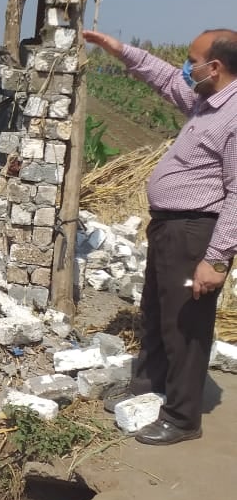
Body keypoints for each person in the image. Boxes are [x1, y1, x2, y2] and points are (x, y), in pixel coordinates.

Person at [84, 28, 237, 445]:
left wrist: (217, 258)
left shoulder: (233, 116)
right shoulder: (208, 102)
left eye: (193, 61)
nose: (186, 68)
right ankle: (149, 387)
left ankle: (183, 417)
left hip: (194, 232)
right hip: (169, 227)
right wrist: (118, 50)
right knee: (155, 310)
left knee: (185, 324)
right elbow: (166, 78)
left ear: (215, 67)